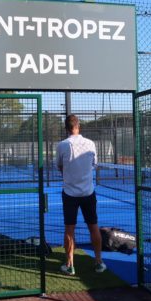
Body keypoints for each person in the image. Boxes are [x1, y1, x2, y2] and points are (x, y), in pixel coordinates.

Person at [56, 114, 106, 276]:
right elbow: (94, 165)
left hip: (70, 193)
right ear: (79, 126)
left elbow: (59, 166)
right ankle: (98, 262)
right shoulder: (91, 144)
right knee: (93, 226)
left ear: (66, 129)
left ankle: (70, 265)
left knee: (69, 229)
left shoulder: (62, 145)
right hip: (88, 193)